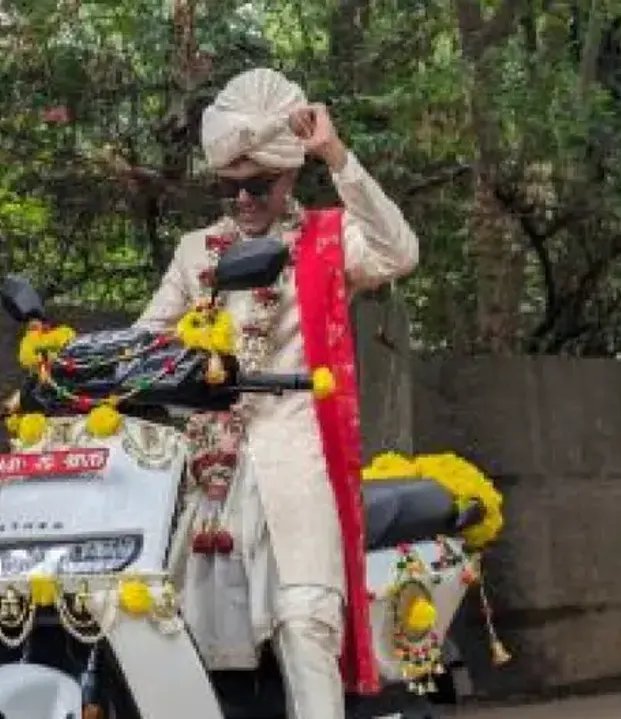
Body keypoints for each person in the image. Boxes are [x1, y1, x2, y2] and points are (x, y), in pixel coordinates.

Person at [134, 67, 420, 719]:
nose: (241, 201)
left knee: (304, 621)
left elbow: (399, 251)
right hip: (212, 472)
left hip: (298, 460)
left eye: (257, 185)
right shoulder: (194, 252)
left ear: (289, 176)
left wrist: (337, 155)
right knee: (175, 632)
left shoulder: (324, 239)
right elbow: (147, 339)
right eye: (229, 187)